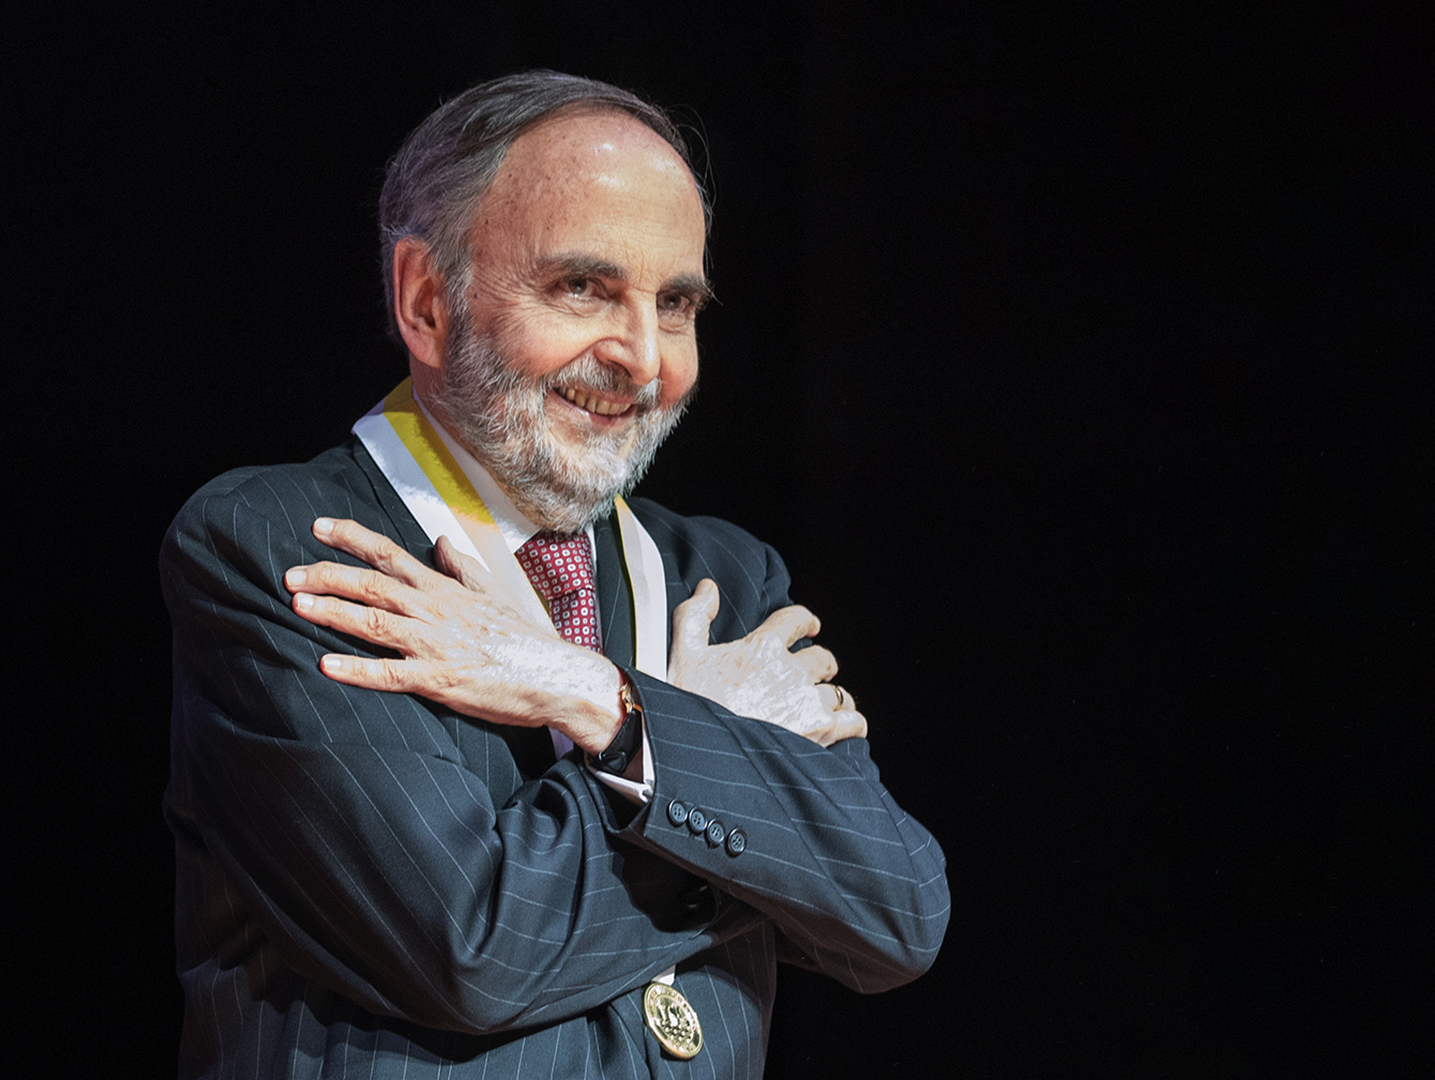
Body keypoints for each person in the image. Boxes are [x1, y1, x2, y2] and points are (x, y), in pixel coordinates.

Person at [160, 70, 949, 1079]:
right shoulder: (290, 545)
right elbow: (466, 947)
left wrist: (605, 703)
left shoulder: (723, 580)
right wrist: (739, 819)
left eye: (675, 304)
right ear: (427, 300)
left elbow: (898, 910)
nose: (640, 356)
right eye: (583, 287)